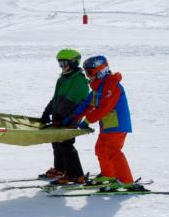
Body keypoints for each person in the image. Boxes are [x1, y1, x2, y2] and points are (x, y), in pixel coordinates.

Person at [67, 56, 138, 189]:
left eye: (90, 72)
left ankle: (126, 181)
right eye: (86, 73)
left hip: (118, 126)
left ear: (101, 71)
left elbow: (105, 107)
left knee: (113, 151)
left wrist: (87, 120)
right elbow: (87, 104)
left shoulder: (111, 85)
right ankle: (109, 174)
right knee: (100, 149)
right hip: (108, 126)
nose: (88, 77)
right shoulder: (98, 87)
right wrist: (73, 117)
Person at [40, 49, 89, 184]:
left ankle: (76, 175)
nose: (62, 66)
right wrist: (47, 112)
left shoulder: (79, 80)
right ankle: (61, 169)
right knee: (56, 142)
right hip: (60, 118)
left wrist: (60, 117)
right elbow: (56, 99)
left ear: (74, 62)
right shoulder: (64, 78)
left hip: (70, 118)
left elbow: (70, 101)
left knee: (66, 145)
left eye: (64, 63)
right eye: (60, 63)